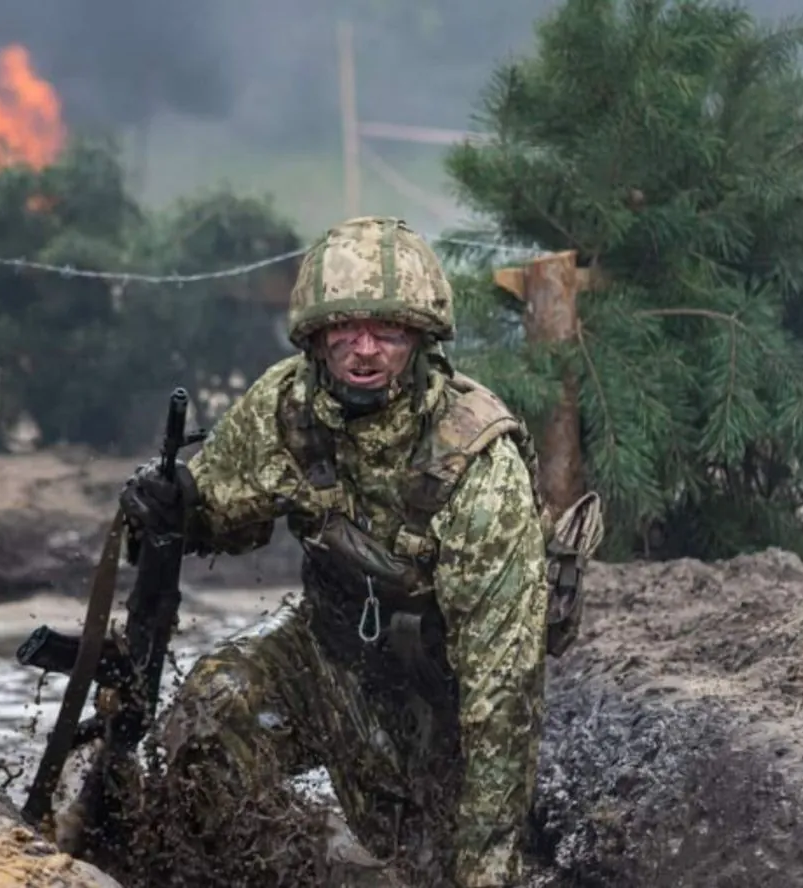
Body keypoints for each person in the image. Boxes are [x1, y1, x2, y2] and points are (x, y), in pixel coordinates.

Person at [101, 216, 602, 887]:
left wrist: (487, 868)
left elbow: (501, 691)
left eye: (388, 332)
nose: (365, 351)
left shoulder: (477, 466)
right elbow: (217, 514)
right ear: (316, 337)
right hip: (326, 650)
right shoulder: (285, 406)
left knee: (433, 867)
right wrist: (170, 507)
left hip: (438, 695)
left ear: (420, 339)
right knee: (208, 717)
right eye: (345, 331)